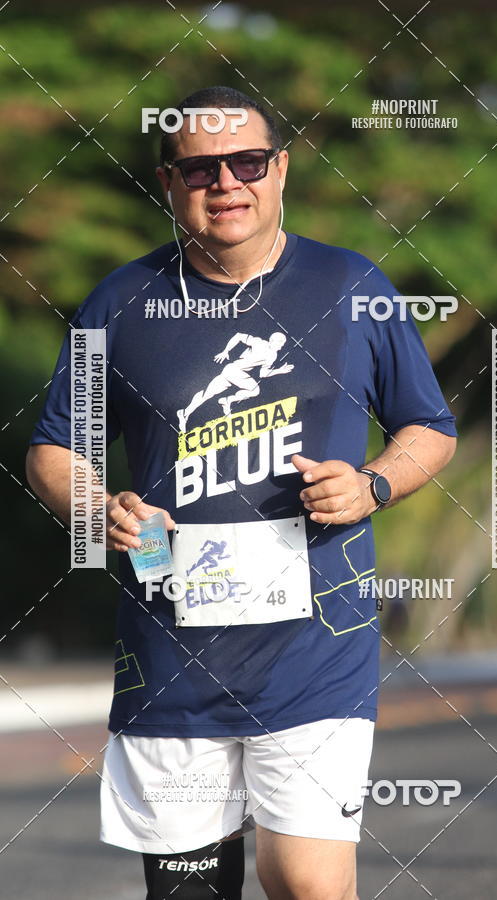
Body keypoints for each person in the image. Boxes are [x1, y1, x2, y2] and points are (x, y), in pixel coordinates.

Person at [26, 85, 457, 900]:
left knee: (307, 883)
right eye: (201, 170)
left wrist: (372, 485)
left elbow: (429, 427)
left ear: (280, 170)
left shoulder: (352, 286)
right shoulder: (119, 303)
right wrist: (97, 507)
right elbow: (55, 448)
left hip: (316, 650)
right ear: (169, 183)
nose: (226, 183)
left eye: (248, 163)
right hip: (170, 657)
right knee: (190, 892)